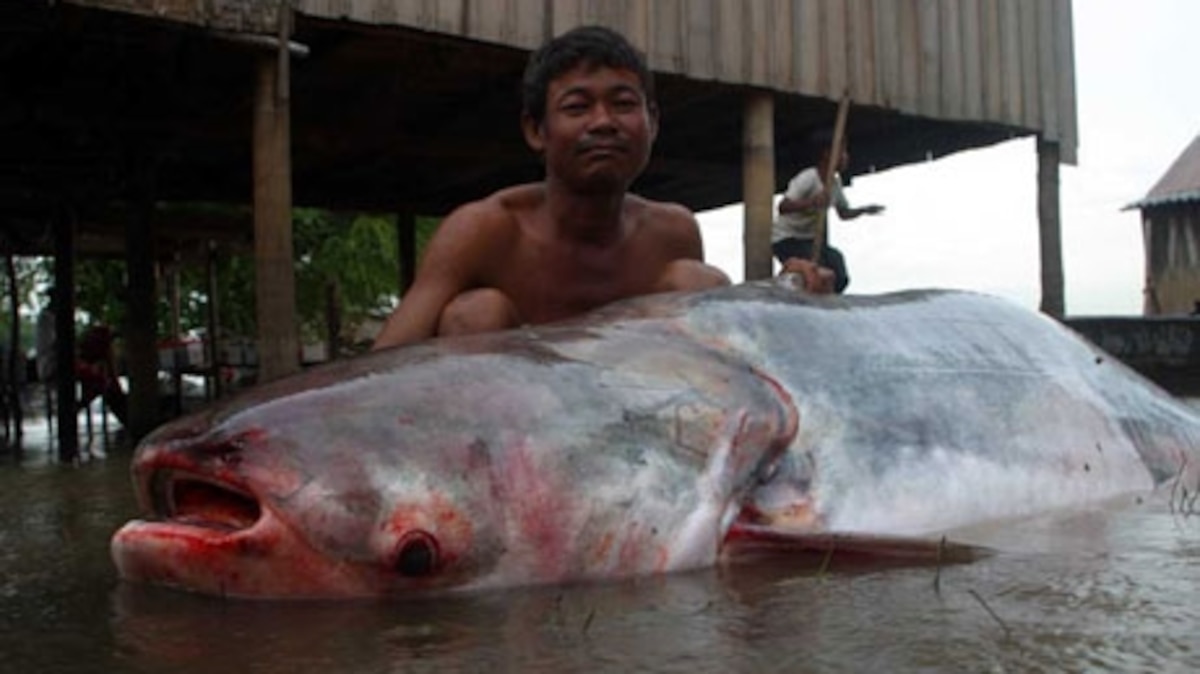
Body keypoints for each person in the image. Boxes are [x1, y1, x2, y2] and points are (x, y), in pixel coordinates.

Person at [374, 26, 830, 349]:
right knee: (475, 315)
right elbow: (385, 365)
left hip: (629, 432)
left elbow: (722, 357)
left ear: (652, 122)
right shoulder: (484, 230)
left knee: (695, 283)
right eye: (577, 107)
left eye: (623, 104)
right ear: (537, 130)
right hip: (509, 434)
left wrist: (788, 300)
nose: (603, 123)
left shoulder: (672, 232)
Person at [772, 140, 885, 293]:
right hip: (787, 238)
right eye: (842, 152)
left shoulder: (834, 183)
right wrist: (812, 202)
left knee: (837, 267)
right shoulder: (809, 177)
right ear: (827, 154)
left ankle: (829, 303)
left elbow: (843, 213)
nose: (846, 157)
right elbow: (783, 206)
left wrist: (864, 210)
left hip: (809, 240)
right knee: (816, 269)